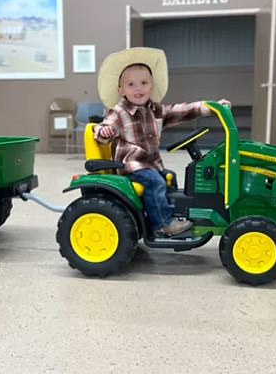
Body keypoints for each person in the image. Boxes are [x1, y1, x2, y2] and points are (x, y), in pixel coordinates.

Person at [94, 47, 230, 237]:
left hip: (152, 164)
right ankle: (163, 224)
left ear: (151, 86)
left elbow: (182, 111)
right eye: (131, 84)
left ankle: (169, 214)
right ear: (121, 89)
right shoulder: (118, 112)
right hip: (132, 166)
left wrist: (210, 107)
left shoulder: (155, 111)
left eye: (143, 82)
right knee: (155, 182)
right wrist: (103, 131)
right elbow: (101, 129)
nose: (138, 88)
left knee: (170, 177)